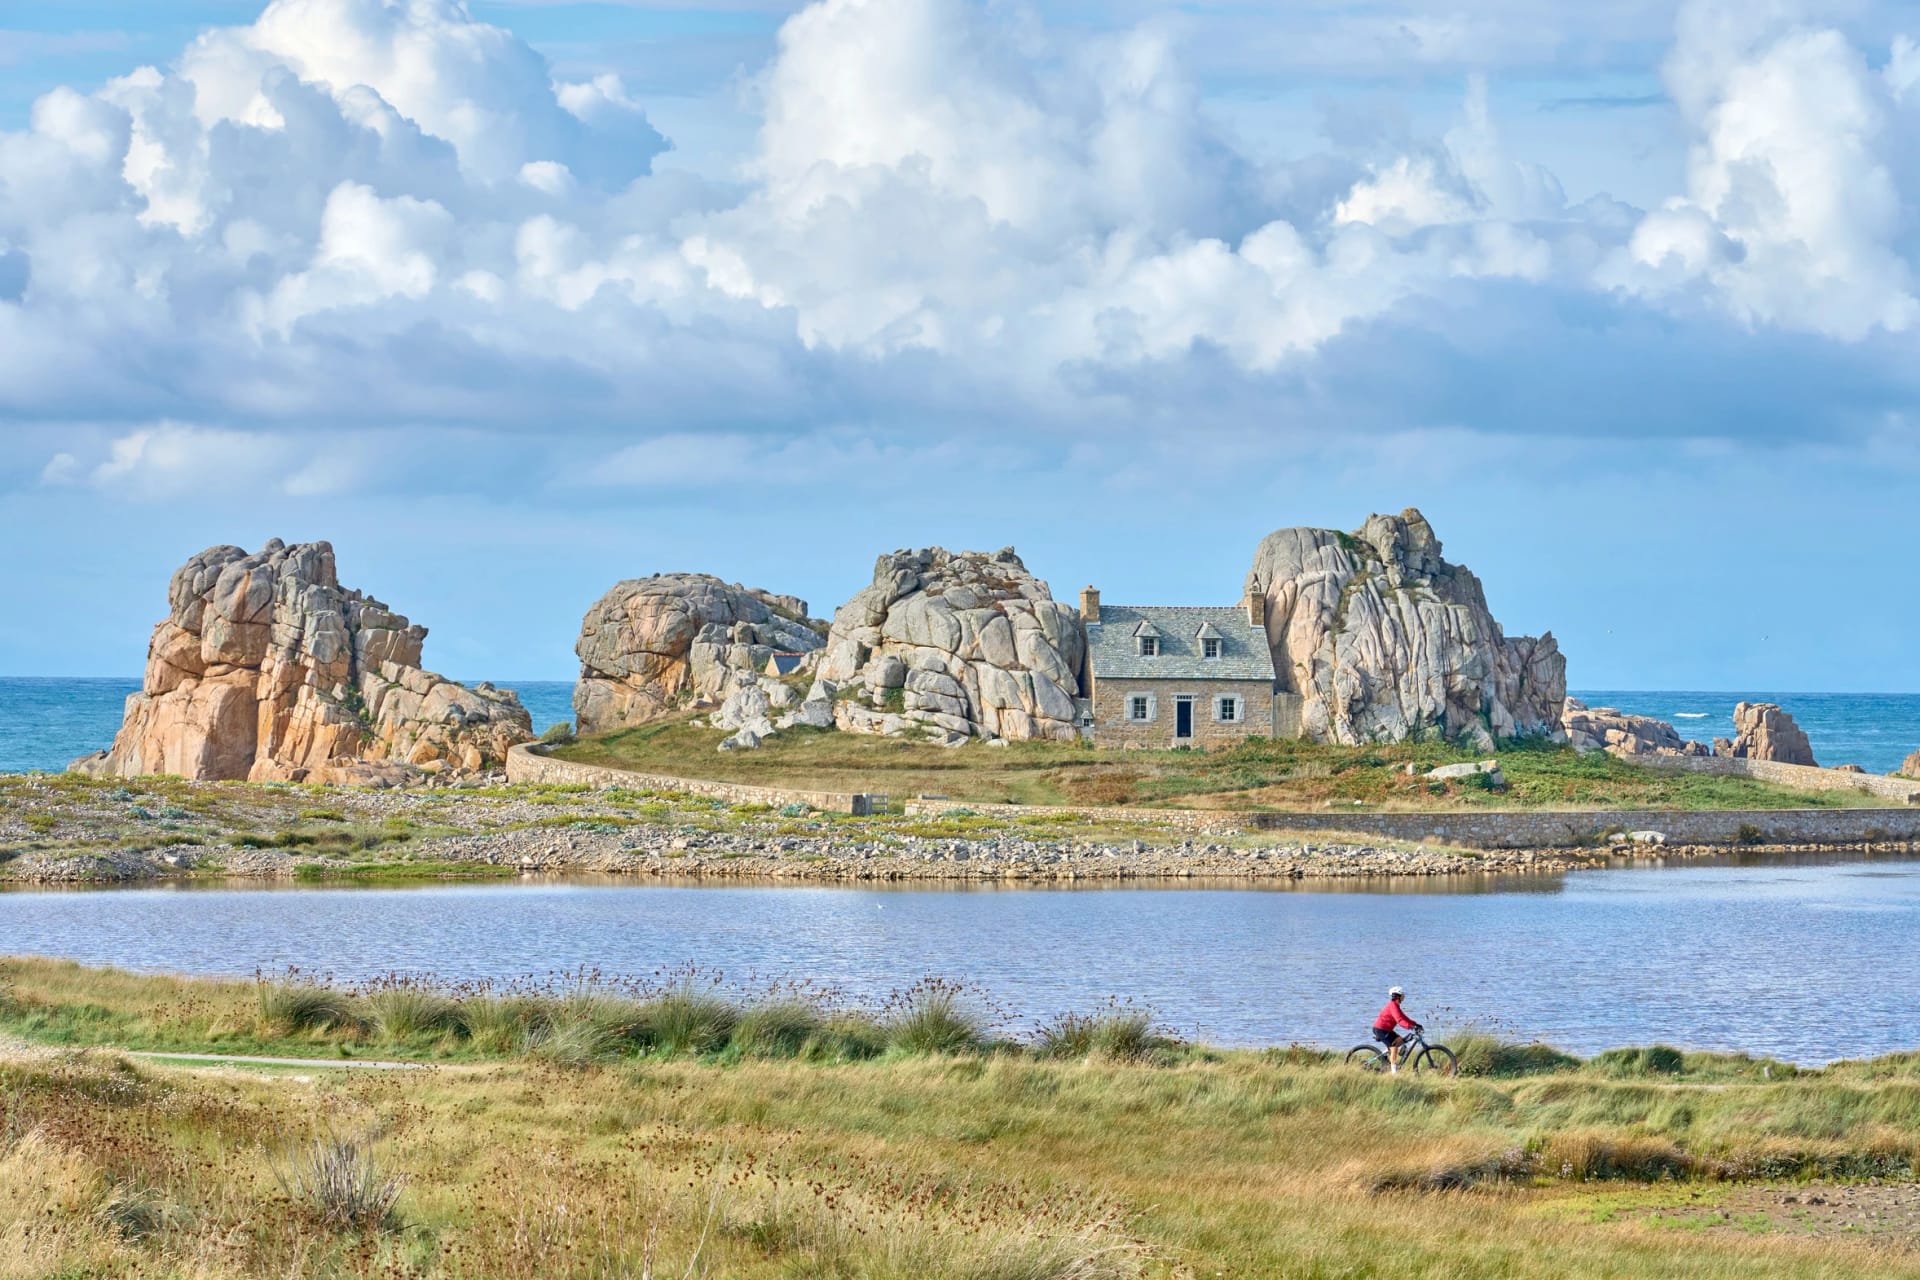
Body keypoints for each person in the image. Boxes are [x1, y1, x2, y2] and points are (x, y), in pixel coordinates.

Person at [1371, 986, 1421, 1073]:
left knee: (1399, 1040)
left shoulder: (1396, 1006)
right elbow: (1399, 1020)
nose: (1404, 996)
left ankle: (1386, 1058)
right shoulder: (1393, 1006)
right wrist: (1410, 1027)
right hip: (1381, 1029)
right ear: (1398, 996)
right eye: (1402, 994)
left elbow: (1404, 1017)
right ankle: (1394, 1073)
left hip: (1386, 1029)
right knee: (1394, 1048)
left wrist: (1415, 1024)